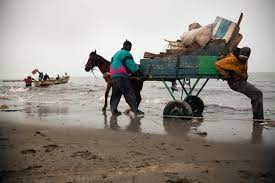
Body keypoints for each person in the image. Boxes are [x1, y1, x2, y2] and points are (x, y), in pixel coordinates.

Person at [215, 47, 265, 124]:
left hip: (241, 81)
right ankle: (258, 119)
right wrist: (226, 75)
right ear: (239, 54)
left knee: (256, 94)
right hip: (235, 82)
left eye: (245, 59)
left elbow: (243, 70)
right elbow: (218, 64)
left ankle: (257, 119)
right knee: (257, 94)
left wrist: (245, 76)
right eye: (241, 58)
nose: (243, 60)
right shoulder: (233, 59)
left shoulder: (245, 60)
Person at [109, 40, 144, 116]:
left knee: (115, 94)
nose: (130, 48)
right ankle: (135, 110)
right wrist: (139, 71)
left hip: (113, 76)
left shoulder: (116, 54)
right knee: (129, 93)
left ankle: (113, 110)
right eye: (130, 46)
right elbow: (131, 64)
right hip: (122, 76)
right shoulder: (126, 54)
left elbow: (111, 63)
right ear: (126, 46)